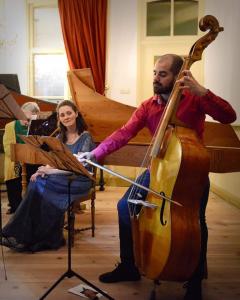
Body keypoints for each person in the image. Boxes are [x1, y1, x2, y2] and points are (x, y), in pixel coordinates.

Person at [78, 54, 237, 300]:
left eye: (162, 74)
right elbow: (124, 133)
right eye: (154, 73)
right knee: (125, 206)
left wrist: (202, 91)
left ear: (177, 77)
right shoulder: (148, 105)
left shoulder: (194, 100)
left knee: (195, 222)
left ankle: (194, 278)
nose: (156, 78)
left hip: (189, 173)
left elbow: (228, 116)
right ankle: (130, 265)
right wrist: (96, 153)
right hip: (158, 170)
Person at [1, 100, 95, 252]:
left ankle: (26, 234)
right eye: (62, 115)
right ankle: (29, 235)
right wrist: (42, 169)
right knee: (37, 181)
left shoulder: (86, 137)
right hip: (63, 177)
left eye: (69, 113)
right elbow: (54, 161)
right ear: (59, 118)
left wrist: (50, 171)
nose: (66, 117)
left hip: (80, 179)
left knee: (41, 184)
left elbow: (79, 168)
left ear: (76, 114)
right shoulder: (59, 137)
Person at [3, 102, 40, 214]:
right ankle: (16, 206)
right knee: (14, 178)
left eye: (29, 119)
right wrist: (21, 158)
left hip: (33, 160)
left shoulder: (37, 127)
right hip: (15, 160)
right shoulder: (10, 126)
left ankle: (32, 205)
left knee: (37, 173)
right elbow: (8, 147)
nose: (25, 121)